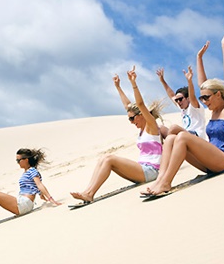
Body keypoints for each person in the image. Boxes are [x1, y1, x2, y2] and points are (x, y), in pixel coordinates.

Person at [144, 28, 224, 196]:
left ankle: (165, 183)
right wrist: (199, 58)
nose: (203, 101)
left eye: (206, 98)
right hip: (210, 161)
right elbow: (202, 84)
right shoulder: (212, 111)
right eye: (202, 98)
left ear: (218, 94)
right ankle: (160, 179)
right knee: (170, 138)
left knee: (182, 136)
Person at [70, 66, 163, 203]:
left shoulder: (151, 126)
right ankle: (87, 191)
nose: (131, 122)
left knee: (109, 158)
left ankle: (89, 194)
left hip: (151, 171)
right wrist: (118, 87)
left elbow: (140, 104)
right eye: (129, 119)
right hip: (141, 169)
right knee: (103, 159)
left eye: (132, 118)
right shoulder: (142, 130)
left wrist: (133, 83)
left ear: (141, 115)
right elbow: (128, 106)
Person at [0, 148, 59, 231]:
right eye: (16, 160)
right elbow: (34, 186)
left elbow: (39, 184)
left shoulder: (32, 170)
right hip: (23, 203)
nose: (17, 162)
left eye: (19, 160)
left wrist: (51, 199)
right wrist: (41, 195)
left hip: (24, 204)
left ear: (26, 160)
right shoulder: (27, 172)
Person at [156, 41, 209, 140]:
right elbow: (171, 95)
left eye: (180, 99)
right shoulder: (182, 108)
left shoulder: (194, 106)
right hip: (185, 136)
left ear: (187, 98)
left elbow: (192, 95)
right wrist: (162, 81)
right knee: (161, 128)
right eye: (177, 100)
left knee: (174, 128)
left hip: (197, 137)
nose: (178, 102)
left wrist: (189, 81)